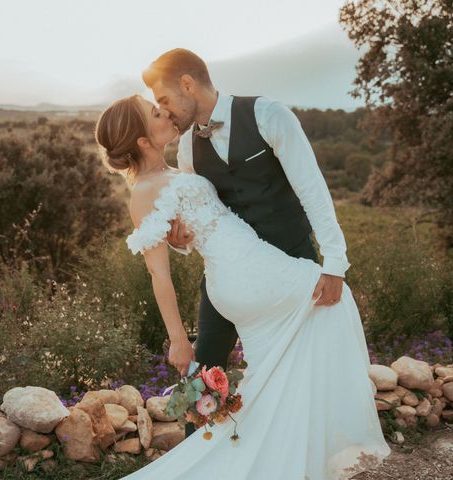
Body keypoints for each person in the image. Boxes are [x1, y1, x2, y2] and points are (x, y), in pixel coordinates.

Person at [94, 94, 390, 479]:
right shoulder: (144, 192)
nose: (164, 112)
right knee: (333, 298)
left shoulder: (178, 163)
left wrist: (180, 238)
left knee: (272, 370)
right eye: (154, 113)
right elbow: (158, 275)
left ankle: (271, 456)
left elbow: (196, 223)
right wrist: (178, 339)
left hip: (245, 268)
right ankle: (309, 445)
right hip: (243, 274)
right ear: (142, 141)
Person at [142, 48, 351, 440]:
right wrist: (181, 240)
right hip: (227, 274)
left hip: (290, 261)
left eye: (165, 99)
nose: (165, 111)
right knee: (203, 372)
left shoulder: (269, 115)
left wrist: (334, 262)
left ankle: (293, 456)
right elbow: (199, 215)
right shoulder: (187, 145)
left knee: (297, 367)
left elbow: (313, 190)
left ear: (187, 84)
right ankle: (196, 460)